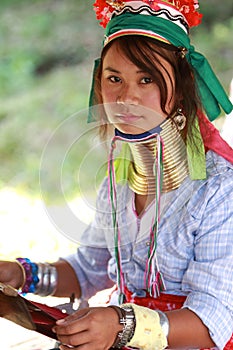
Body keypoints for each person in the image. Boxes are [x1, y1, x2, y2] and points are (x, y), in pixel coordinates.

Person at [1, 1, 233, 349]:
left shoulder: (218, 189)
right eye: (114, 79)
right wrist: (22, 275)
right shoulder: (121, 180)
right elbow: (90, 269)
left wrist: (121, 324)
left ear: (184, 87)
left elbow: (212, 318)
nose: (126, 96)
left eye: (147, 78)